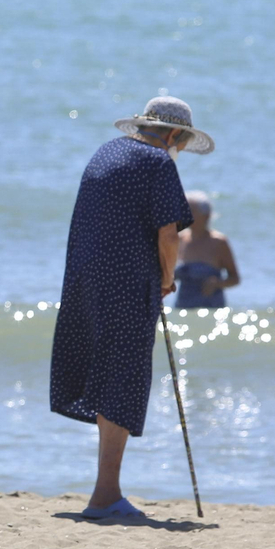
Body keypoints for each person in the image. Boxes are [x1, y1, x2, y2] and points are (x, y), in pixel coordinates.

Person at [49, 96, 207, 519]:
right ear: (173, 135)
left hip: (86, 281)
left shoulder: (107, 152)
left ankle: (107, 490)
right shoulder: (158, 163)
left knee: (108, 379)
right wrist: (168, 279)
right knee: (122, 380)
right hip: (126, 286)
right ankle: (105, 496)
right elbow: (168, 234)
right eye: (182, 140)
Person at [174, 191, 240, 309]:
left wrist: (217, 283)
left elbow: (235, 278)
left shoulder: (219, 242)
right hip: (183, 308)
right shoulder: (180, 239)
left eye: (190, 211)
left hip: (211, 309)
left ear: (206, 215)